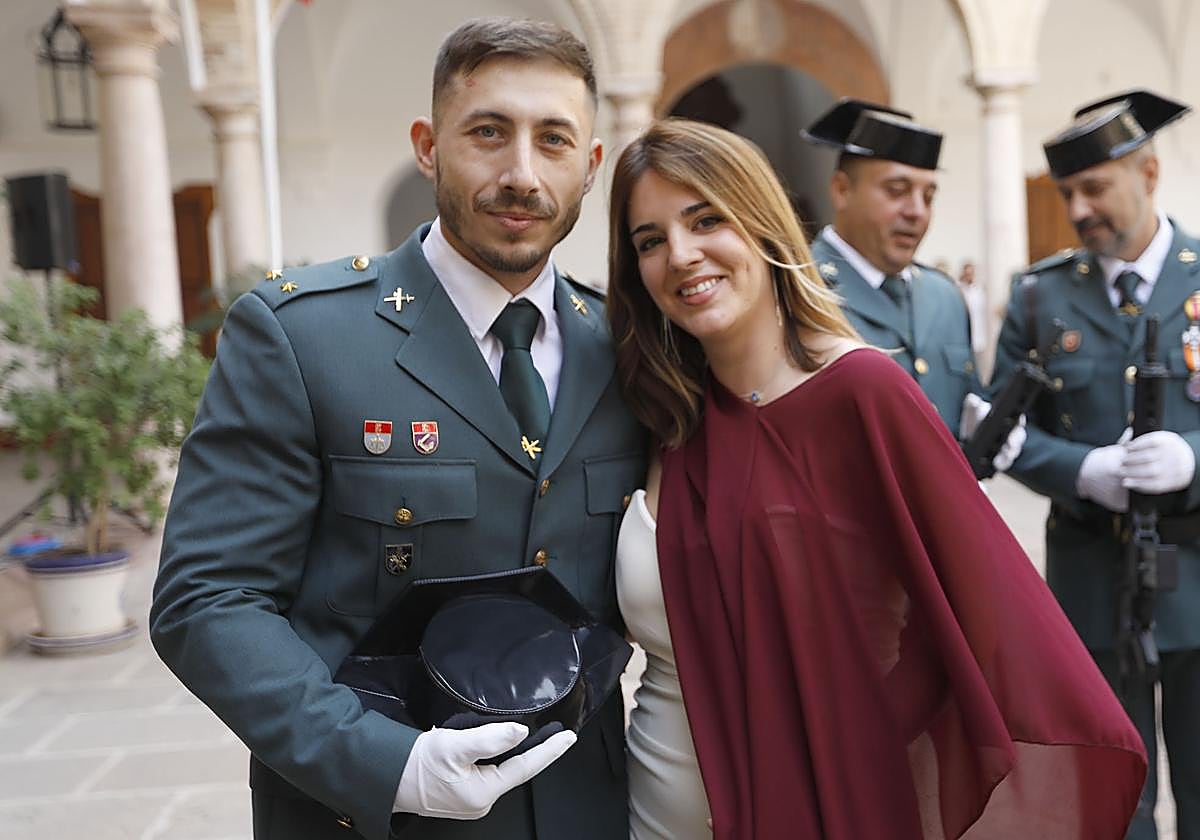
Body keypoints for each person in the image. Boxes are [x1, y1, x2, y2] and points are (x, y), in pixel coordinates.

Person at [150, 17, 645, 840]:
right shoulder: (303, 336)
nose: (521, 173)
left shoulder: (624, 348)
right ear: (428, 145)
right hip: (366, 813)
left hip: (578, 810)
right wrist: (387, 764)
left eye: (553, 140)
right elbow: (208, 599)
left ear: (591, 166)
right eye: (488, 132)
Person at [607, 117, 1146, 839]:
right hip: (652, 816)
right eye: (650, 240)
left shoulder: (863, 391)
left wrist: (832, 756)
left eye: (708, 219)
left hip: (824, 810)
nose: (681, 255)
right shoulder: (659, 413)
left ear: (763, 224)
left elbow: (973, 618)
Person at [992, 89, 1200, 840]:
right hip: (1091, 580)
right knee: (1113, 795)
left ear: (1148, 173)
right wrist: (1081, 470)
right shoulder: (1041, 294)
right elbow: (995, 428)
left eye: (1094, 188)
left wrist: (1193, 458)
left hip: (1196, 574)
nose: (1078, 210)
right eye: (1067, 193)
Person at [800, 99, 1022, 472]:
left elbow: (964, 402)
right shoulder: (799, 290)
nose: (917, 211)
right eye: (896, 190)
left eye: (929, 196)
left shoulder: (944, 296)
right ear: (841, 190)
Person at [957, 260, 988, 355]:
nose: (969, 275)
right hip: (963, 335)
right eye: (967, 273)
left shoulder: (979, 289)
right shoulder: (958, 289)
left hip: (978, 333)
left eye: (971, 273)